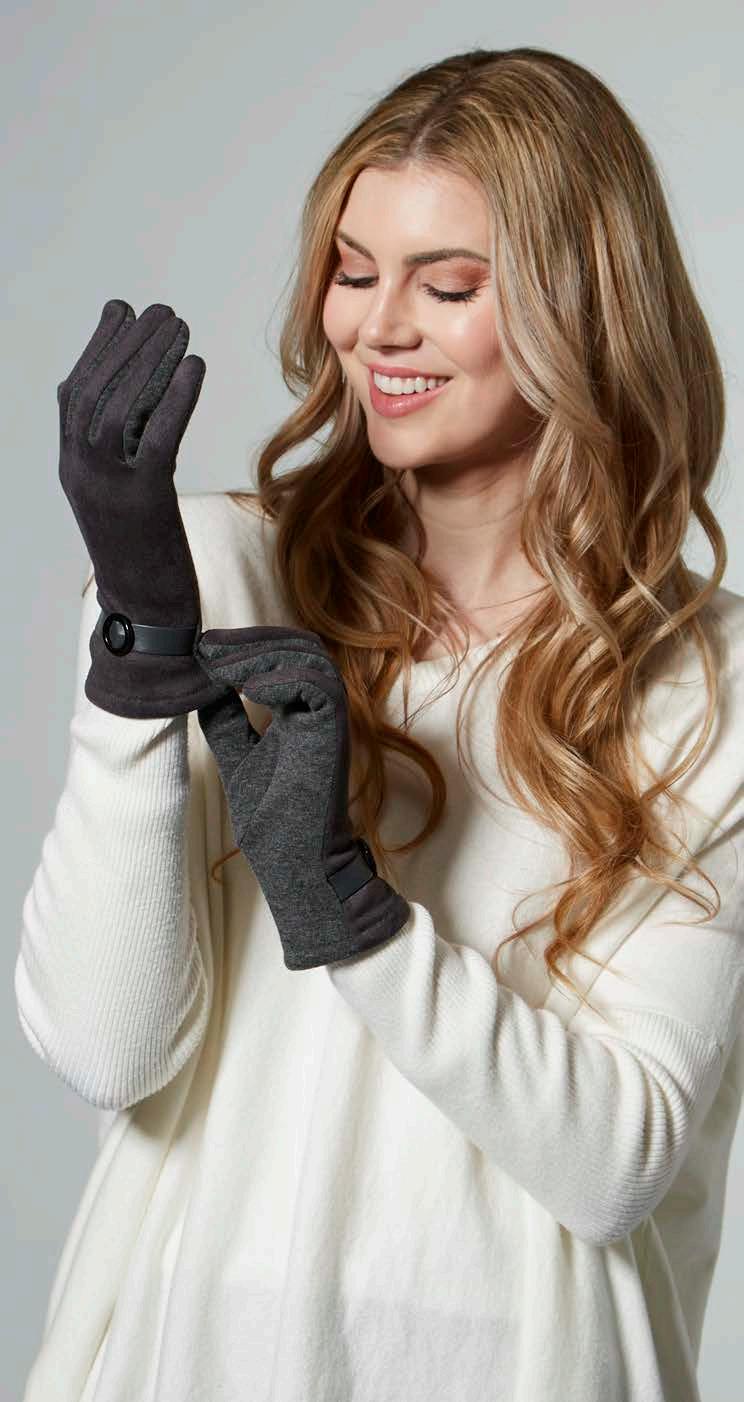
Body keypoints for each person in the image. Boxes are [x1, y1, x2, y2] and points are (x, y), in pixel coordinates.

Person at [16, 44, 744, 1402]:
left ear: (585, 309)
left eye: (448, 286)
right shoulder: (213, 577)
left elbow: (615, 1162)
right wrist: (138, 665)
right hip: (193, 1355)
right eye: (354, 273)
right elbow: (110, 1048)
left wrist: (346, 902)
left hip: (525, 1368)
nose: (378, 329)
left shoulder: (710, 682)